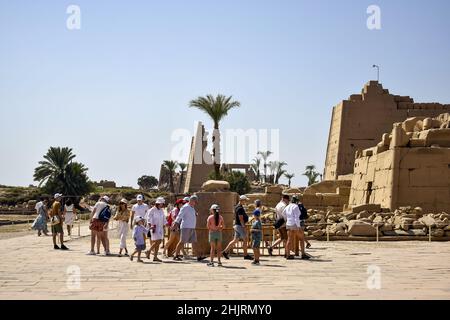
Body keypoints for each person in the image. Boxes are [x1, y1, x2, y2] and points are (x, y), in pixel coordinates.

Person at [172, 195, 207, 262]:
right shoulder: (185, 207)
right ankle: (176, 255)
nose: (196, 203)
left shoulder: (192, 207)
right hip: (186, 227)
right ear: (192, 200)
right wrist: (175, 225)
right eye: (195, 202)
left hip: (192, 227)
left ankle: (199, 256)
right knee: (182, 242)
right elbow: (179, 216)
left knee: (194, 242)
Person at [222, 195, 253, 260]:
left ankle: (225, 251)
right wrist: (243, 227)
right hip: (239, 226)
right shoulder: (240, 208)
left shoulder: (238, 207)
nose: (246, 202)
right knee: (245, 239)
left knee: (235, 240)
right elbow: (241, 218)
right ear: (242, 200)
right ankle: (245, 255)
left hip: (237, 225)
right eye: (245, 200)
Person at [284, 196, 310, 260]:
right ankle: (303, 254)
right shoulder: (296, 206)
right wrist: (298, 226)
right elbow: (297, 217)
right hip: (295, 224)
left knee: (289, 239)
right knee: (301, 238)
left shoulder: (287, 206)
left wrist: (287, 219)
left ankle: (288, 255)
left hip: (288, 224)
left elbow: (283, 213)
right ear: (296, 201)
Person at [145, 197, 165, 262]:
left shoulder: (161, 210)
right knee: (158, 241)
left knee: (158, 242)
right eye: (162, 203)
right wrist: (150, 225)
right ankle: (149, 251)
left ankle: (155, 257)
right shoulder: (152, 210)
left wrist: (167, 224)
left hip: (160, 228)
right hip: (154, 227)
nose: (162, 205)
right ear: (158, 203)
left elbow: (164, 219)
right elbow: (148, 218)